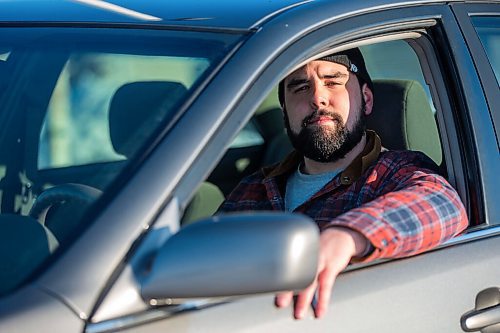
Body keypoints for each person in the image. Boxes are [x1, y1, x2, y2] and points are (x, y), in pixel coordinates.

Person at [217, 48, 468, 320]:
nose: (317, 98)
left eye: (333, 81)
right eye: (300, 87)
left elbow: (443, 204)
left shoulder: (394, 172)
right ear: (285, 114)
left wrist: (347, 236)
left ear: (367, 100)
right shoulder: (252, 189)